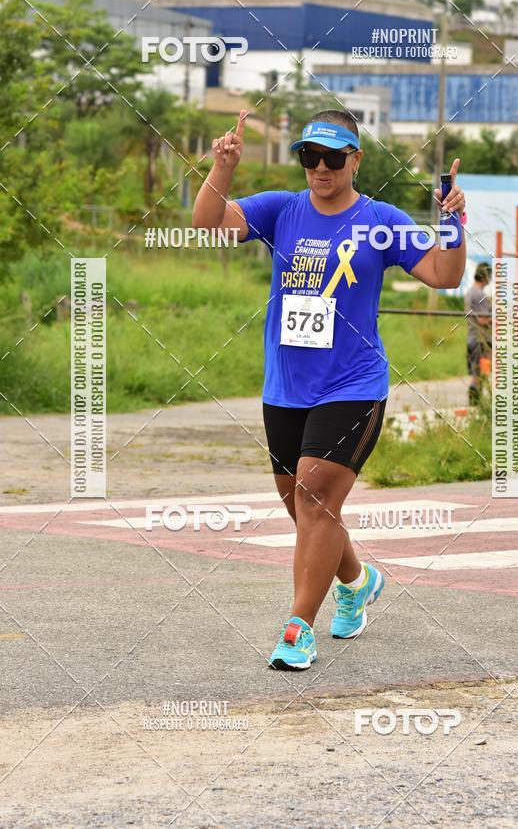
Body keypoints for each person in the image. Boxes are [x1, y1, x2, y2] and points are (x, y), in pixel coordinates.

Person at [192, 108, 467, 670]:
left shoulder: (379, 220)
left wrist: (453, 223)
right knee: (305, 507)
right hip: (287, 387)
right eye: (309, 157)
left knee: (315, 497)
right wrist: (223, 167)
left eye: (332, 158)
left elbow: (444, 275)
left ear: (355, 160)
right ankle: (357, 582)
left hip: (353, 385)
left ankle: (297, 630)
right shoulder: (282, 209)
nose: (320, 168)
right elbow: (206, 223)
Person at [464, 263, 492, 405]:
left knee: (477, 374)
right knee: (480, 375)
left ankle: (475, 404)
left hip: (473, 338)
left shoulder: (470, 292)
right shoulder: (478, 294)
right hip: (481, 340)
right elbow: (482, 319)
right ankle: (476, 404)